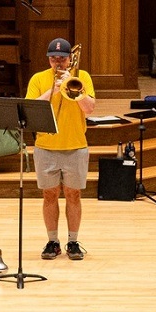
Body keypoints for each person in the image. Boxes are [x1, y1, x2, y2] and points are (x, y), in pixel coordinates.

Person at [24, 37, 96, 260]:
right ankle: (52, 241)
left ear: (69, 60)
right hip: (46, 147)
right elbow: (31, 110)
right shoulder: (38, 79)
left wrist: (73, 88)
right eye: (54, 58)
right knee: (49, 195)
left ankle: (73, 241)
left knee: (74, 195)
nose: (58, 63)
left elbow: (90, 109)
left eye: (62, 59)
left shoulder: (81, 77)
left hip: (75, 146)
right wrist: (54, 91)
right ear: (48, 59)